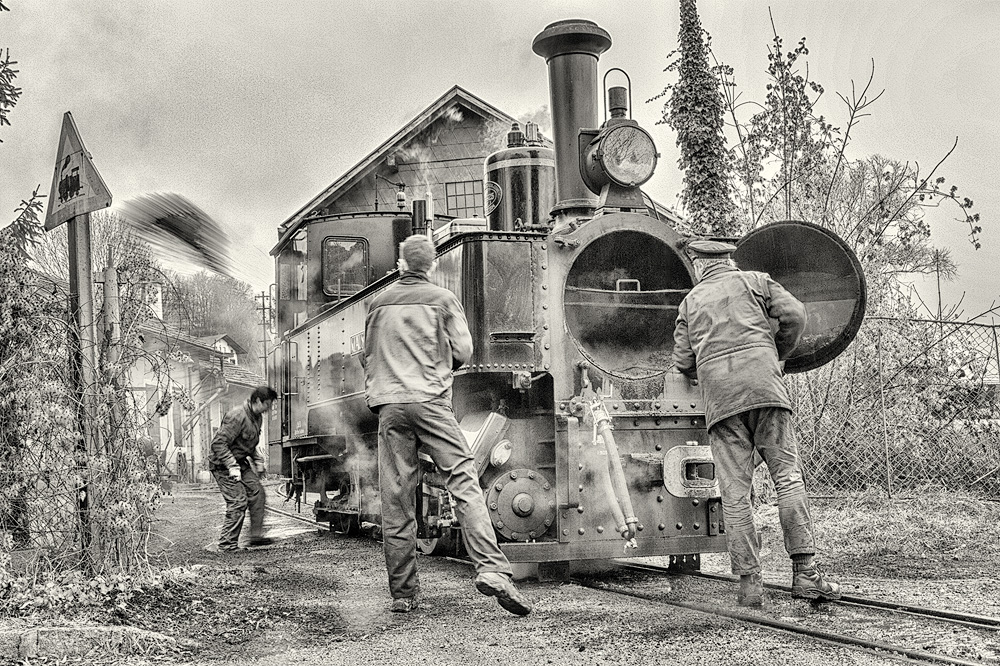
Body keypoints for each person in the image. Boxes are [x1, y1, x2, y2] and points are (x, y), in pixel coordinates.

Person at [364, 234, 532, 616]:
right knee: (464, 482)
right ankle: (492, 570)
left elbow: (367, 356)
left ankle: (403, 594)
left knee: (395, 498)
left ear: (402, 263)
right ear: (432, 264)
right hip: (431, 402)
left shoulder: (377, 303)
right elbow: (464, 351)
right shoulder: (442, 299)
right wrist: (441, 370)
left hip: (390, 407)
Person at [671, 240, 841, 607]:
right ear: (729, 260)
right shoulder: (756, 281)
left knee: (735, 493)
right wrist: (776, 354)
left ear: (700, 266)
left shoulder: (690, 303)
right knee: (788, 477)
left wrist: (709, 367)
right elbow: (795, 315)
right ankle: (807, 575)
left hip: (723, 403)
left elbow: (682, 360)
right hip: (767, 389)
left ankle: (750, 586)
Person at [209, 385, 278, 552]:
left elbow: (248, 443)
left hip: (240, 463)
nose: (269, 408)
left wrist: (258, 461)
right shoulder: (236, 416)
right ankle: (227, 545)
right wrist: (232, 466)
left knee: (257, 493)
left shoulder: (257, 417)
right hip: (222, 465)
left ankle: (255, 537)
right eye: (267, 404)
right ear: (258, 401)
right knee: (238, 501)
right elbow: (218, 444)